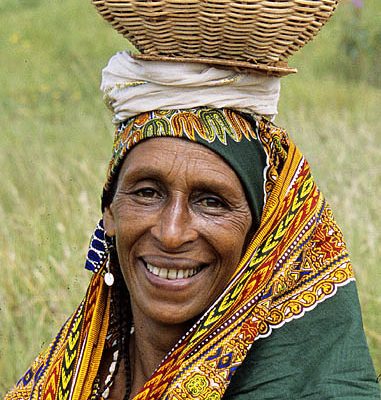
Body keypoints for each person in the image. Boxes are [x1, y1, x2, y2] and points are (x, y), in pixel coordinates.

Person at [5, 2, 381, 400]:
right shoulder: (77, 370)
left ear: (262, 228)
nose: (171, 233)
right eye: (147, 193)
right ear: (109, 212)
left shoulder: (308, 389)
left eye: (212, 202)